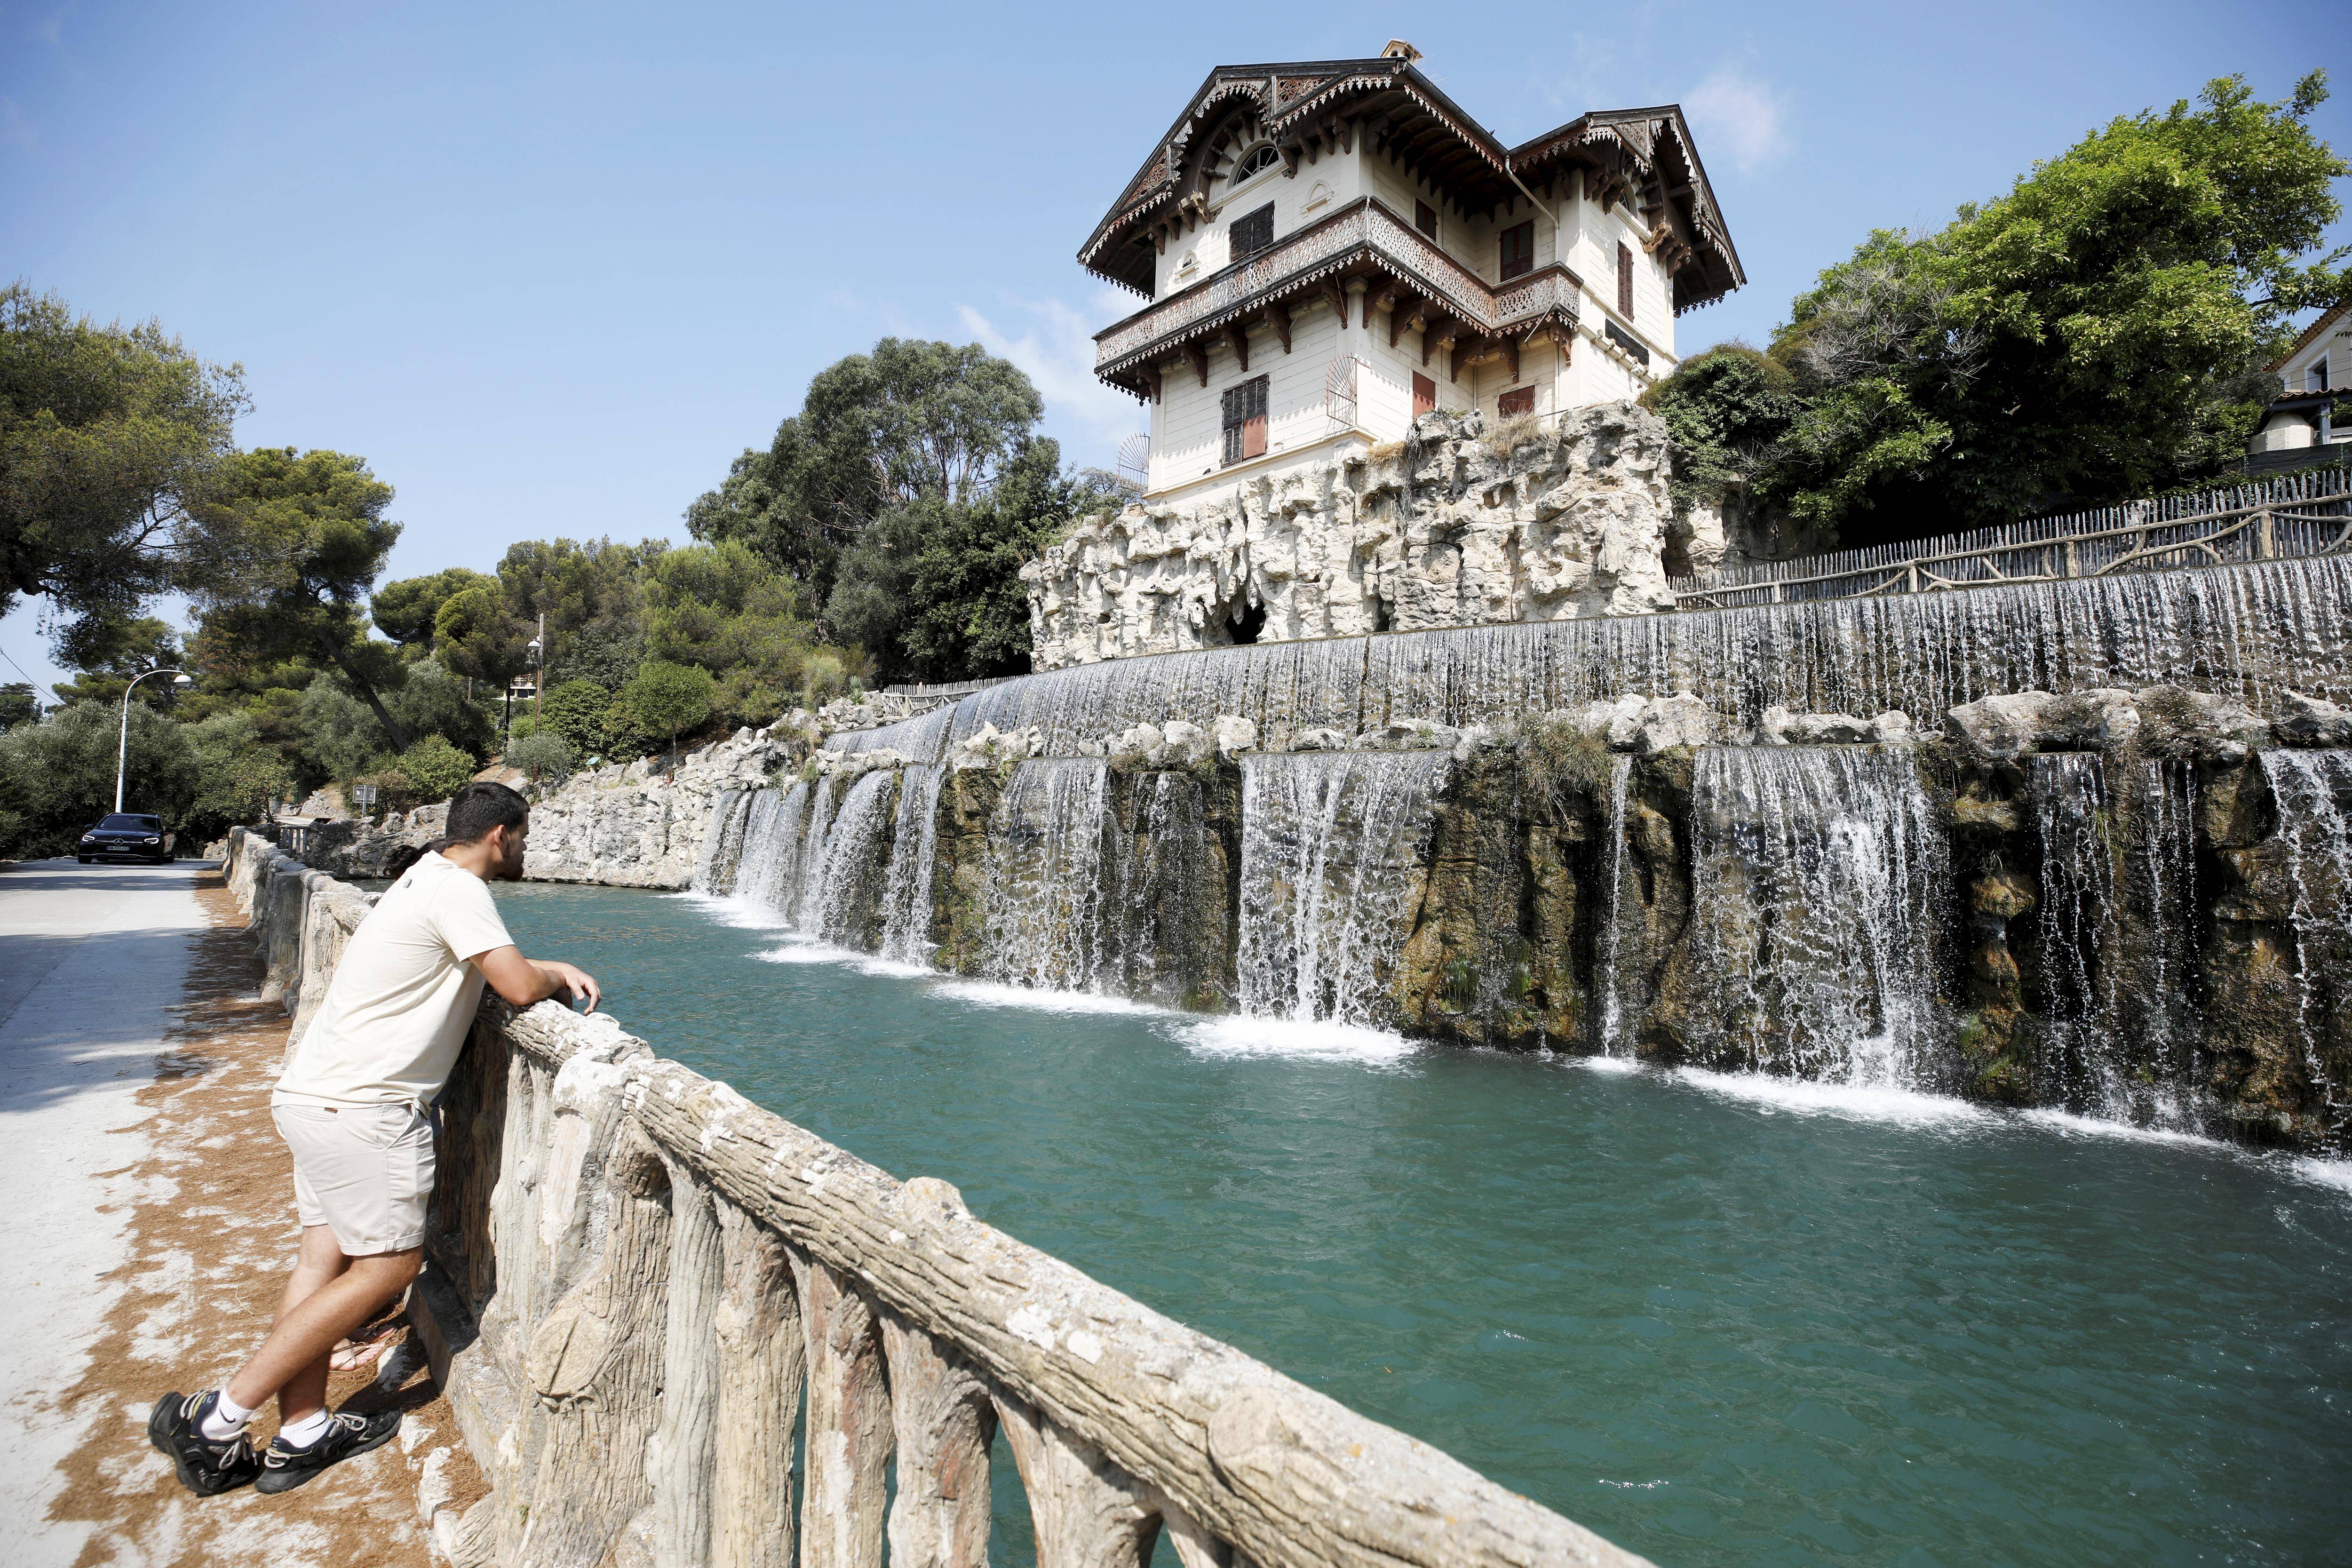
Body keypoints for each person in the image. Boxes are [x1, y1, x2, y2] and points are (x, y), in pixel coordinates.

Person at [146, 781, 600, 1497]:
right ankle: (217, 1418)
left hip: (315, 1095)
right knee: (388, 1270)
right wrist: (557, 970)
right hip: (366, 1110)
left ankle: (300, 1431)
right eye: (523, 835)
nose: (525, 848)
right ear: (498, 836)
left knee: (319, 1263)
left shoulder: (420, 877)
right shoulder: (458, 888)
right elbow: (514, 984)